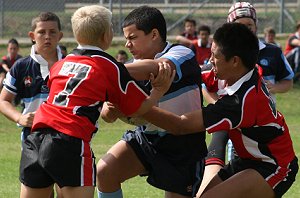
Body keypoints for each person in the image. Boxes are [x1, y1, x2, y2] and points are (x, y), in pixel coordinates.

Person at [19, 5, 174, 198]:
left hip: (35, 138)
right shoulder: (109, 66)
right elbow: (137, 109)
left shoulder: (61, 63)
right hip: (70, 140)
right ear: (105, 36)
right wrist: (158, 91)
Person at [143, 22, 299, 198]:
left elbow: (181, 125)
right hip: (246, 160)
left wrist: (138, 106)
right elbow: (190, 77)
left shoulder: (241, 101)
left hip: (274, 165)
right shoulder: (234, 74)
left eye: (214, 56)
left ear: (234, 61)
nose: (210, 61)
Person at [97, 6, 207, 198]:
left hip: (183, 147)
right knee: (105, 170)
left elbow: (158, 67)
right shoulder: (128, 69)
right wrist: (114, 107)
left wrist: (105, 69)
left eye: (133, 38)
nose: (128, 45)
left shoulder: (182, 53)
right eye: (126, 39)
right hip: (146, 139)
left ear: (154, 34)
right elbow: (106, 116)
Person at [197, 2, 295, 196]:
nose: (245, 29)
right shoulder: (221, 56)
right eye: (239, 25)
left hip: (255, 130)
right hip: (232, 123)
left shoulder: (266, 55)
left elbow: (288, 81)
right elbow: (202, 81)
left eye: (249, 25)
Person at [0, 11, 64, 198]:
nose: (47, 37)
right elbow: (3, 100)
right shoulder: (21, 66)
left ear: (60, 36)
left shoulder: (71, 64)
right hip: (32, 141)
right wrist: (19, 117)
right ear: (32, 36)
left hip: (68, 140)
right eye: (42, 32)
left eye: (53, 32)